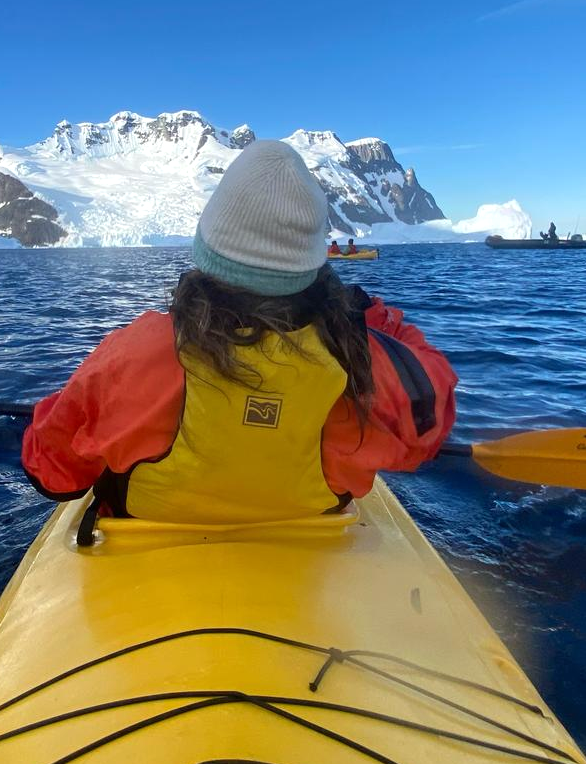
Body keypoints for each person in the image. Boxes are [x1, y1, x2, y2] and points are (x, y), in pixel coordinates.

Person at [22, 140, 457, 525]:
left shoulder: (136, 354)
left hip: (147, 549)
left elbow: (52, 474)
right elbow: (429, 424)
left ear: (209, 252)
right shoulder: (363, 358)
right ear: (311, 264)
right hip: (308, 539)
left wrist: (62, 408)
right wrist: (364, 317)